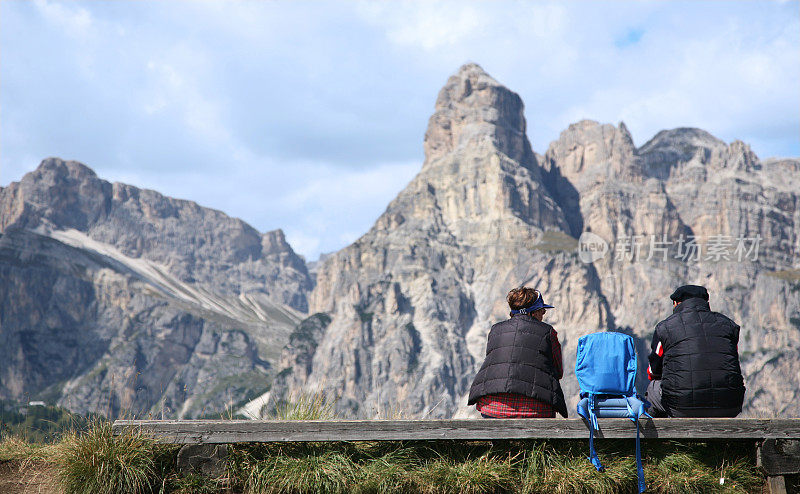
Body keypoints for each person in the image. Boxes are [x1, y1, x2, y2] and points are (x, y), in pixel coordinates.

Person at [645, 284, 745, 417]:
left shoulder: (665, 327)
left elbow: (654, 371)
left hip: (681, 407)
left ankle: (657, 437)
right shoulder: (729, 325)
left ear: (676, 303)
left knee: (653, 388)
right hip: (731, 405)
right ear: (706, 302)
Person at [467, 287, 567, 418]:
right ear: (532, 312)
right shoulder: (548, 332)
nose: (543, 315)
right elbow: (558, 371)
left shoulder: (495, 330)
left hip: (492, 408)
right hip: (534, 410)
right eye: (542, 311)